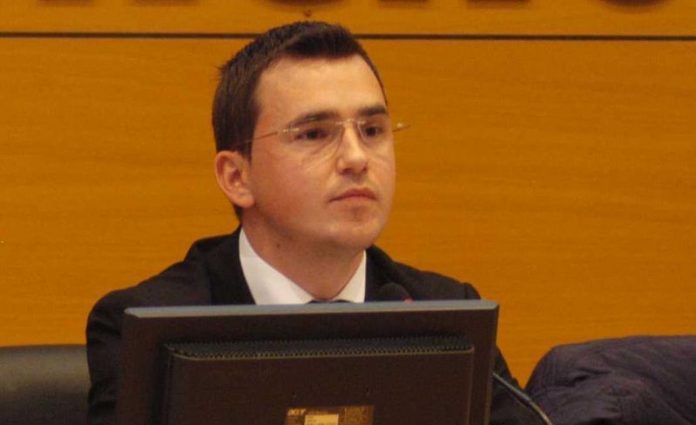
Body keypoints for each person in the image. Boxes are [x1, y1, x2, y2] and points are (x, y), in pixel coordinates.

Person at [86, 21, 540, 425]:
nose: (357, 158)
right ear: (237, 177)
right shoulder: (151, 328)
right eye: (314, 134)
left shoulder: (446, 316)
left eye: (373, 130)